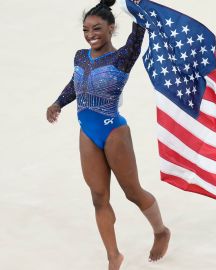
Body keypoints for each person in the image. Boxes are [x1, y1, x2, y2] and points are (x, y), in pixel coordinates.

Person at [45, 0, 170, 269]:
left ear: (111, 28)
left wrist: (137, 6)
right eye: (86, 29)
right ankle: (113, 256)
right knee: (98, 197)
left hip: (114, 130)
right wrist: (58, 103)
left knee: (133, 192)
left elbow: (140, 29)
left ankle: (161, 231)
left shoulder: (123, 57)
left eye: (97, 28)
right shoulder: (80, 55)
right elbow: (75, 82)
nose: (91, 34)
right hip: (87, 131)